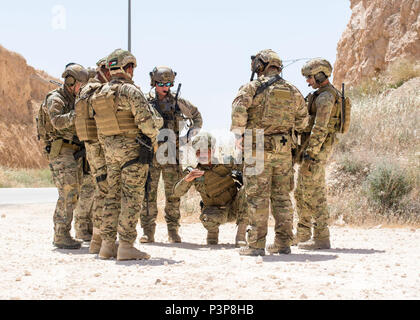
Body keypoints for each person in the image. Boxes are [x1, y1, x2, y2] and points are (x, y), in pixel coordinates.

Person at [230, 49, 308, 256]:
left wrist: (239, 136)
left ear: (260, 66)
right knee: (282, 196)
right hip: (283, 150)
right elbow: (303, 120)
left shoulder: (252, 87)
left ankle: (256, 244)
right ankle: (283, 243)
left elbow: (238, 111)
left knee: (257, 196)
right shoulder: (293, 90)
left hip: (258, 149)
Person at [91, 49, 163, 261]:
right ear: (128, 67)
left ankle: (106, 245)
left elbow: (99, 128)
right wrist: (155, 134)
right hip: (133, 151)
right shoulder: (131, 92)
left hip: (110, 153)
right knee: (132, 197)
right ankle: (125, 245)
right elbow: (147, 123)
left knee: (112, 196)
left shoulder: (100, 93)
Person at [139, 66, 202, 244]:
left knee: (173, 193)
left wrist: (188, 137)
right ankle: (148, 231)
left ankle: (173, 230)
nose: (165, 87)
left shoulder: (178, 101)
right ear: (154, 83)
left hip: (171, 154)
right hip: (150, 153)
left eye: (168, 83)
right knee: (147, 194)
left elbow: (197, 117)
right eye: (161, 84)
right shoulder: (144, 101)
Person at [294, 58, 342, 250]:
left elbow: (320, 128)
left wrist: (310, 154)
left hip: (316, 152)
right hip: (315, 150)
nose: (308, 81)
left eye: (310, 77)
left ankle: (321, 236)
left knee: (314, 193)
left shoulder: (325, 97)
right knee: (302, 192)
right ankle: (304, 234)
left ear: (320, 75)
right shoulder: (322, 94)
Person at [41, 63, 89, 249]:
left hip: (73, 152)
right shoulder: (56, 98)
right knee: (68, 192)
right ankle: (60, 234)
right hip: (60, 151)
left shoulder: (73, 98)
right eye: (81, 85)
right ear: (72, 81)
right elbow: (57, 122)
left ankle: (64, 232)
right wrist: (78, 113)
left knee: (74, 192)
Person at [172, 132, 248, 246]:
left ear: (212, 150)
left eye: (204, 151)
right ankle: (212, 234)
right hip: (214, 213)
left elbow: (248, 166)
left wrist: (244, 148)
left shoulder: (227, 162)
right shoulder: (193, 171)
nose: (201, 155)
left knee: (248, 190)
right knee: (208, 221)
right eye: (198, 152)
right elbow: (177, 193)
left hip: (234, 208)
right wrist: (187, 179)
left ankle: (241, 235)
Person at [74, 57, 111, 253]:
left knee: (99, 190)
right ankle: (99, 239)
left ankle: (97, 238)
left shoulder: (87, 89)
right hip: (99, 145)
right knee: (104, 191)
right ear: (105, 70)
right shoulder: (98, 90)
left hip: (92, 146)